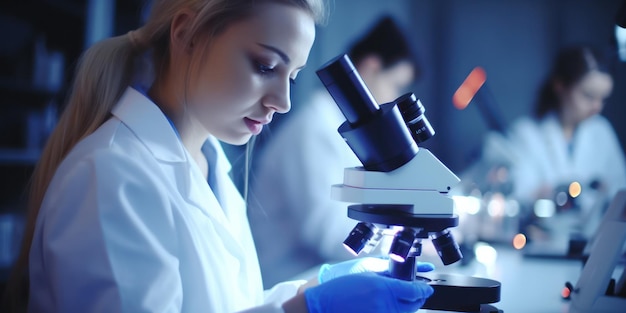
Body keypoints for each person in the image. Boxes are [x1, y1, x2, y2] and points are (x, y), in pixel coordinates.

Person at [1, 1, 435, 312]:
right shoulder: (112, 176)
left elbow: (230, 305)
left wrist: (312, 288)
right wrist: (306, 309)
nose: (283, 101)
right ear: (187, 34)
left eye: (293, 75)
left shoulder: (211, 166)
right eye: (266, 66)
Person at [248, 15, 420, 288]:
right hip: (287, 284)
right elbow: (328, 234)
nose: (393, 100)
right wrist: (404, 243)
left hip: (320, 277)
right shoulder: (313, 128)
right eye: (396, 85)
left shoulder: (343, 129)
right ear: (371, 67)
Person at [478, 45, 626, 238]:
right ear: (560, 86)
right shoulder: (526, 134)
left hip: (593, 241)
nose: (597, 107)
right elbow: (522, 194)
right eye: (588, 96)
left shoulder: (601, 132)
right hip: (542, 244)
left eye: (602, 99)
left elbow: (619, 188)